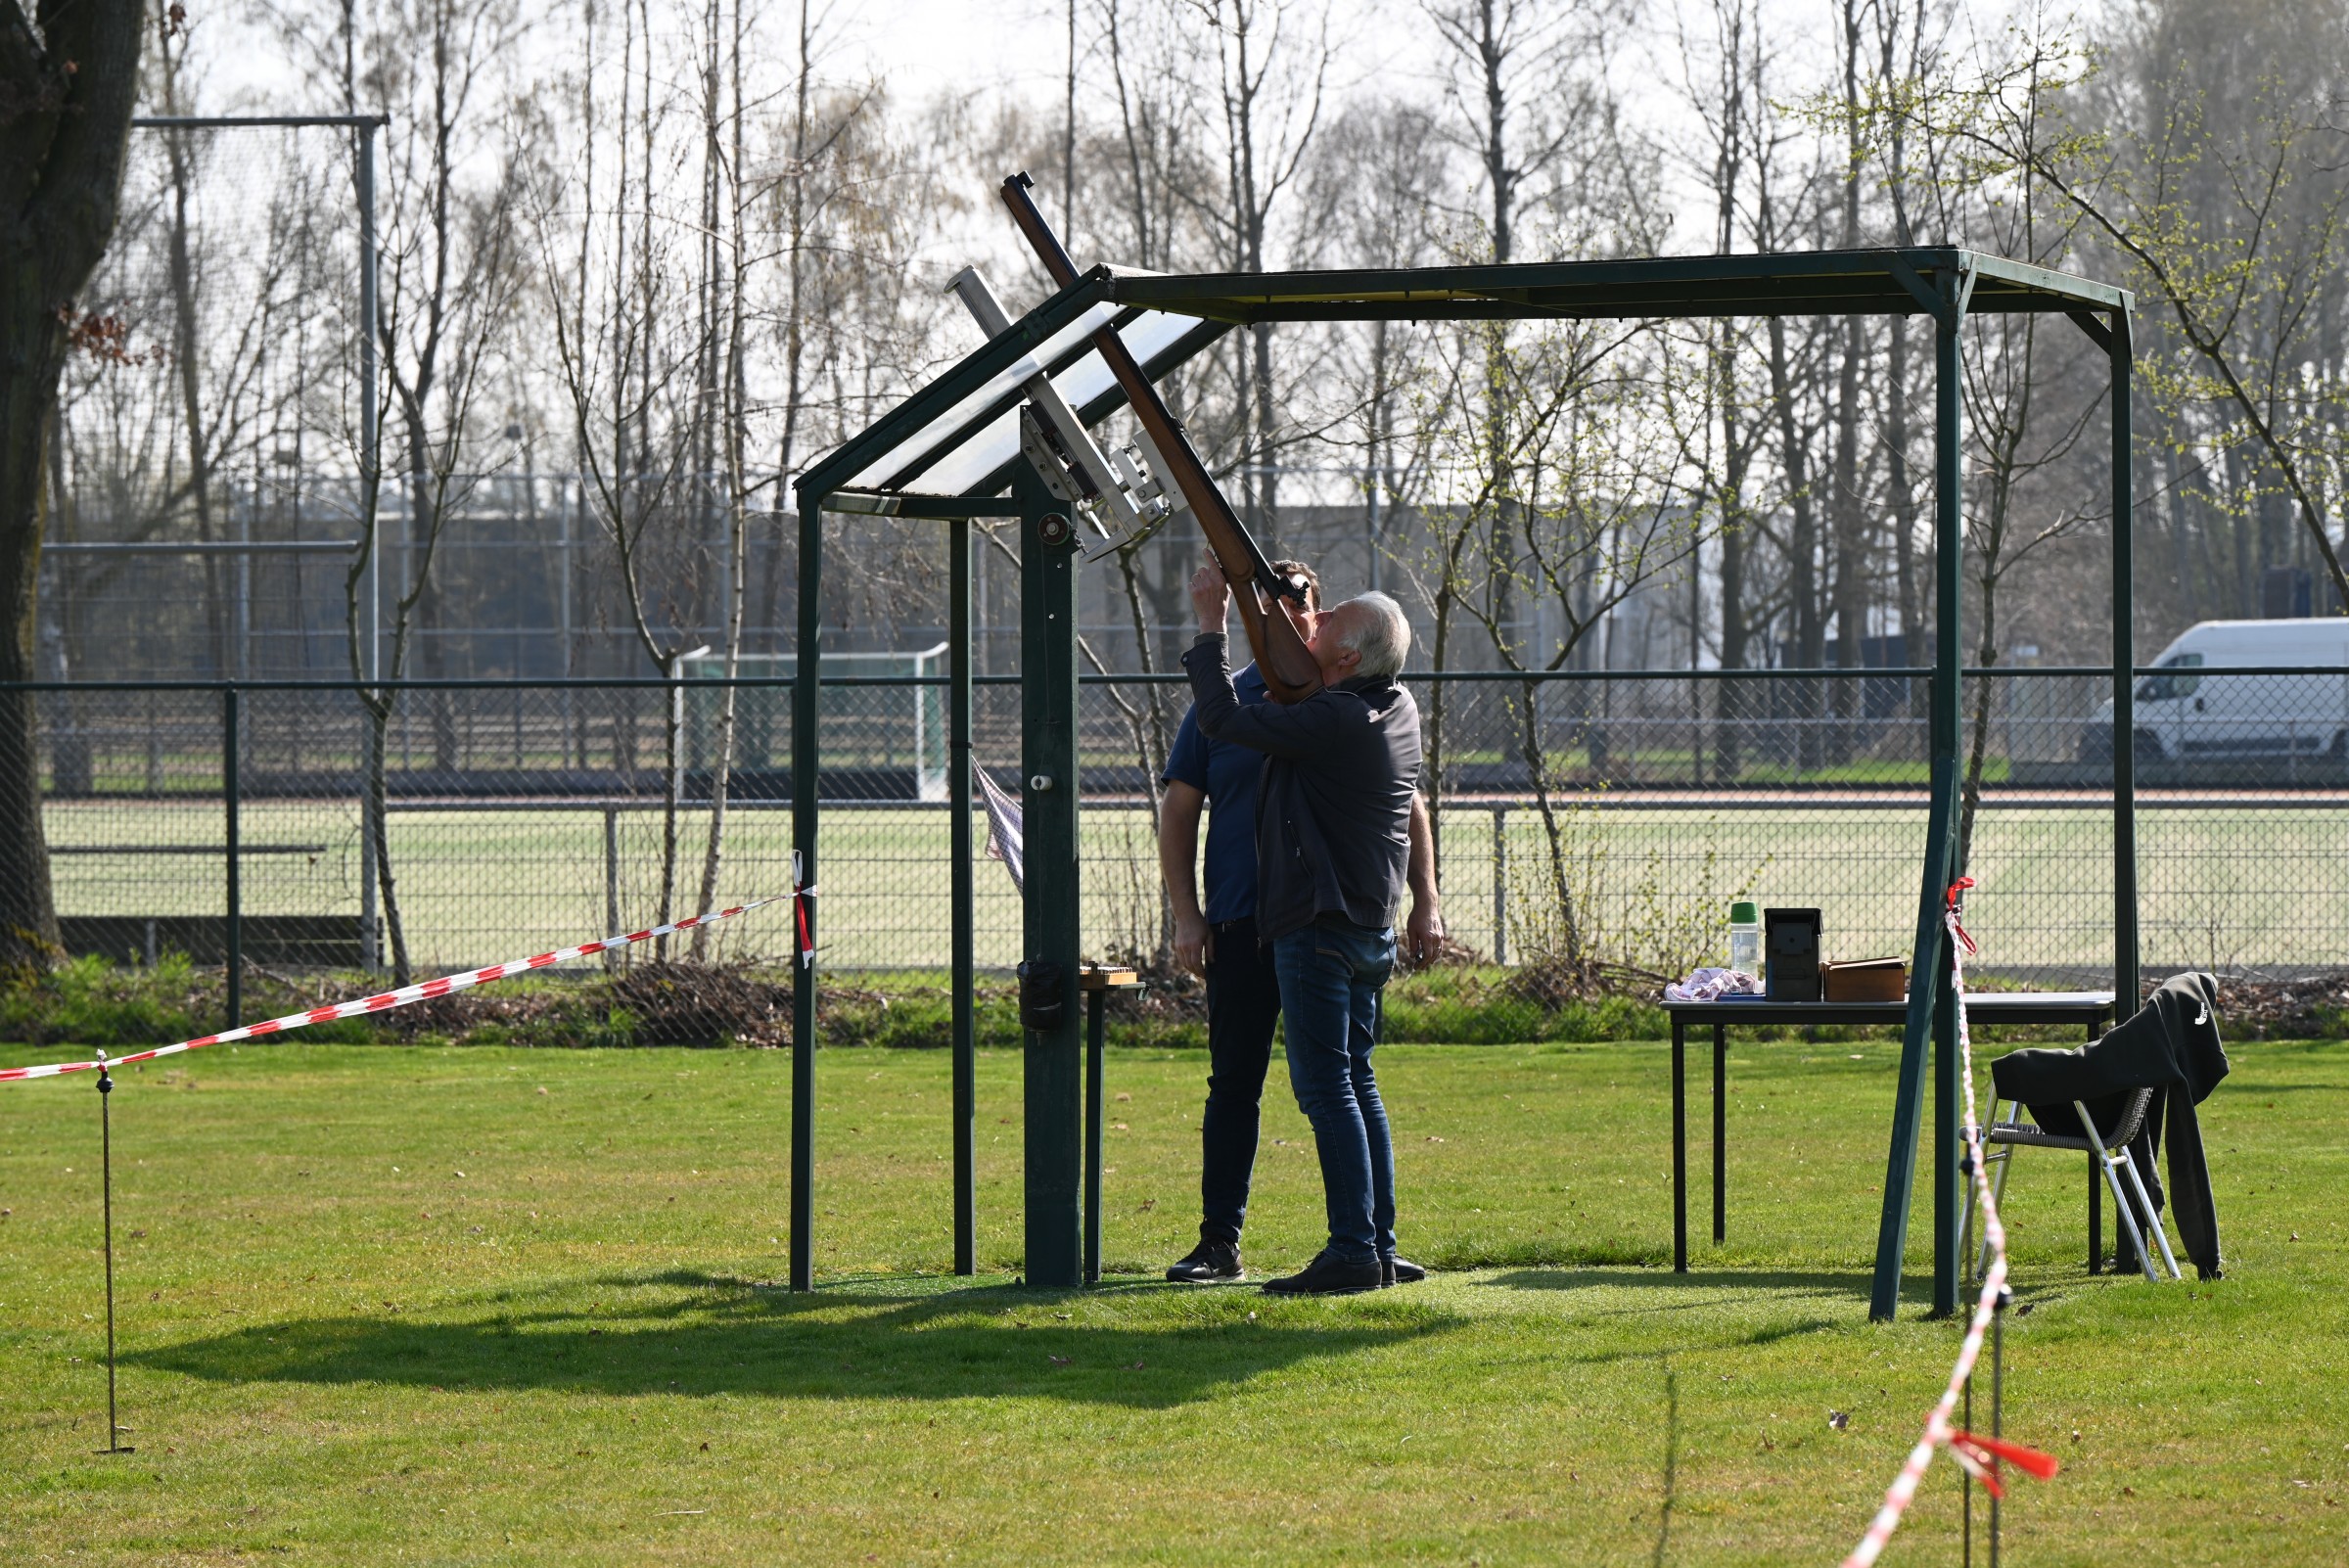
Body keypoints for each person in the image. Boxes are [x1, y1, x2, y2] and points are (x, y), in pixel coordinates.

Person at [1160, 561, 1442, 1288]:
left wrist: (1209, 623)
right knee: (1324, 1082)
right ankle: (1355, 1244)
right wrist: (1189, 914)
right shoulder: (1394, 703)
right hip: (1299, 922)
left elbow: (1225, 718)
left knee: (1330, 1089)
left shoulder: (1332, 711)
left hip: (1311, 926)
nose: (1300, 619)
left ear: (1344, 653)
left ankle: (1355, 1249)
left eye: (1315, 613)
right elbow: (1184, 805)